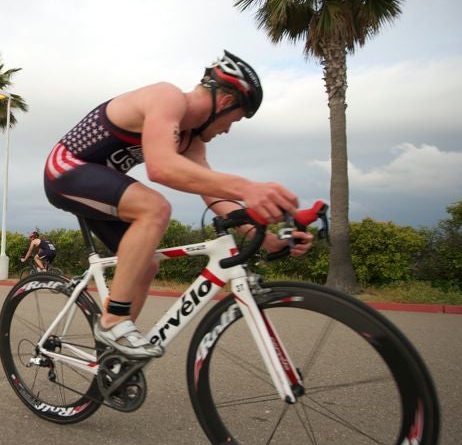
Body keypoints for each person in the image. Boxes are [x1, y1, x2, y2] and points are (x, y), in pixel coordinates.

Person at [44, 50, 313, 358]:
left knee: (148, 263)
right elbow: (161, 168)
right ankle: (113, 321)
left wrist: (264, 238)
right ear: (224, 103)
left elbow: (213, 193)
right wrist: (248, 188)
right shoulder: (167, 97)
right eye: (234, 120)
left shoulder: (191, 140)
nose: (228, 130)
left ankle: (114, 355)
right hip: (64, 170)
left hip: (99, 186)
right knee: (155, 207)